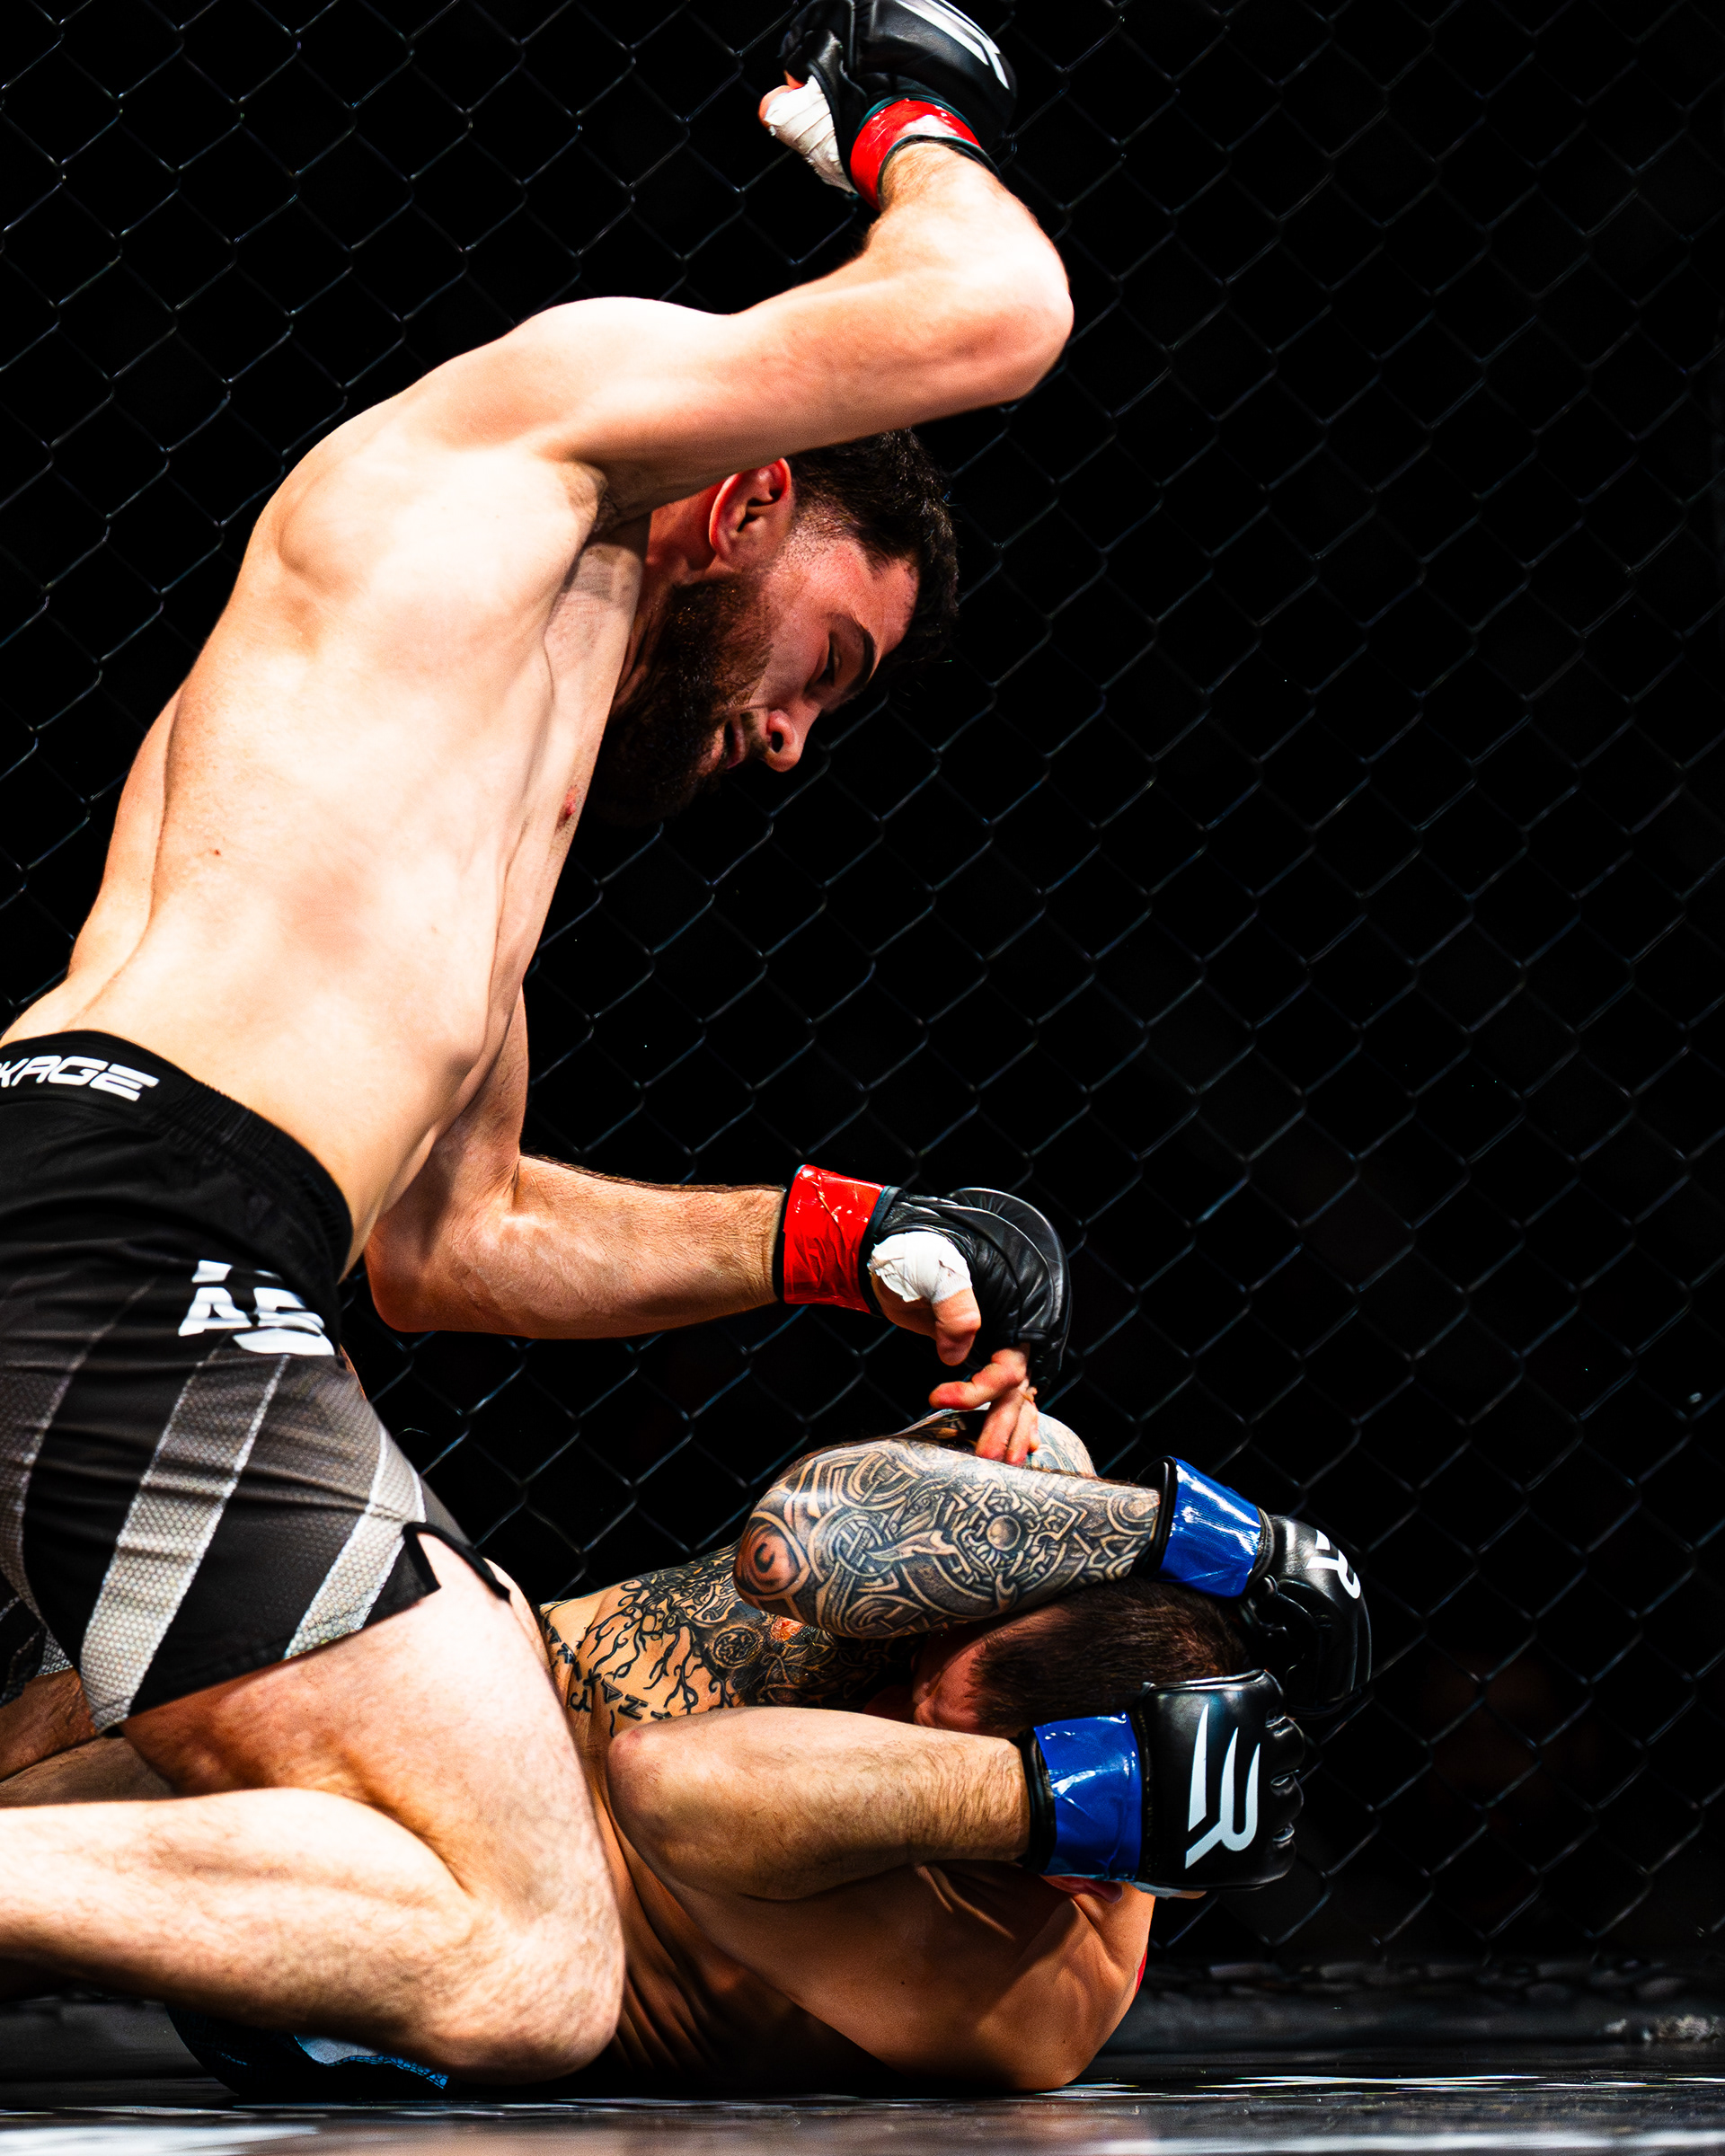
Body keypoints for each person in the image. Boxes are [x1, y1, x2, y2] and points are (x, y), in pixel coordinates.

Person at [0, 1, 1073, 2079]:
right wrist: (911, 123)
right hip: (129, 1232)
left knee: (375, 1833)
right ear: (749, 497)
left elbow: (455, 1242)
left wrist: (847, 1238)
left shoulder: (489, 753)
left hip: (125, 1228)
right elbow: (997, 312)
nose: (792, 738)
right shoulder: (524, 438)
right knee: (522, 1941)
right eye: (826, 664)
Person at [0, 1414, 1305, 2095]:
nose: (895, 1691)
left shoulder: (1029, 1995)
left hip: (406, 1949)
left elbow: (672, 1782)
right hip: (446, 1710)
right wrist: (1184, 1534)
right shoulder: (1044, 1584)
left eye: (933, 1724)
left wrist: (1038, 1798)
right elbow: (798, 1541)